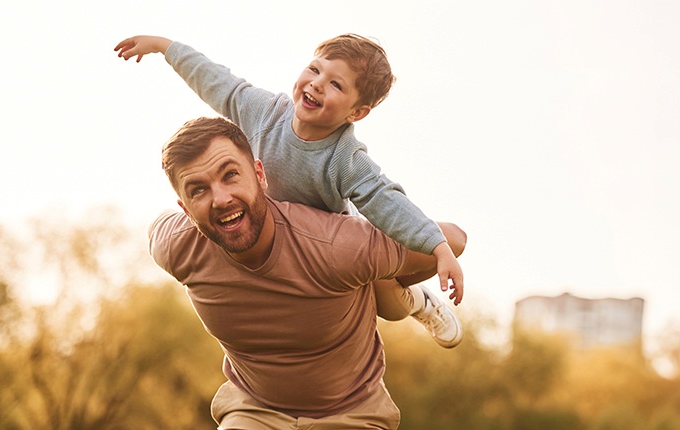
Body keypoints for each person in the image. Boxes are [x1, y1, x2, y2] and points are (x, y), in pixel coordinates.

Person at [117, 33, 467, 347]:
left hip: (327, 244)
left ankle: (420, 302)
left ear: (357, 112)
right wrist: (165, 47)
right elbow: (218, 82)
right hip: (269, 233)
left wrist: (438, 247)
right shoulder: (266, 111)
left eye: (336, 85)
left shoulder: (346, 159)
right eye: (315, 70)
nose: (316, 85)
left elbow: (385, 199)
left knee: (387, 306)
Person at [149, 116, 466, 428]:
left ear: (260, 174)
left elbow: (454, 239)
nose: (220, 199)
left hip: (352, 412)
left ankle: (408, 296)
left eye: (230, 175)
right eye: (198, 190)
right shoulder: (177, 246)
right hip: (255, 410)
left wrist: (383, 272)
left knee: (389, 299)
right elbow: (155, 229)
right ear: (185, 209)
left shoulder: (334, 245)